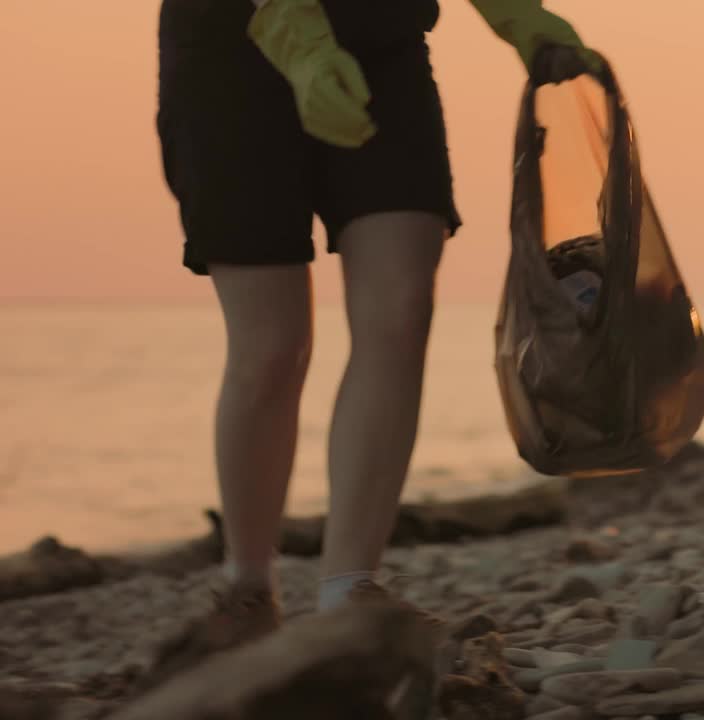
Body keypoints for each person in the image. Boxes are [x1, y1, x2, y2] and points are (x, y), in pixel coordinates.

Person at [146, 0, 598, 691]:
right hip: (227, 53)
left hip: (381, 43)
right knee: (273, 345)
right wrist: (295, 37)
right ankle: (247, 586)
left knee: (401, 308)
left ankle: (348, 586)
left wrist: (518, 17)